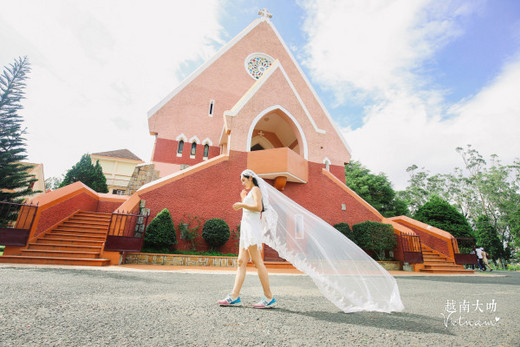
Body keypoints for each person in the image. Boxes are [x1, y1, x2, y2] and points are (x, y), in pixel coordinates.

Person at [217, 170, 276, 309]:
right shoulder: (249, 192)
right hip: (246, 230)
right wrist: (244, 198)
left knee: (257, 262)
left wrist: (242, 203)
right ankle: (234, 296)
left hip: (251, 230)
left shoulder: (256, 189)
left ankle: (269, 297)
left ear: (250, 178)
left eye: (244, 180)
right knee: (241, 261)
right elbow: (250, 210)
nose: (242, 183)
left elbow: (258, 208)